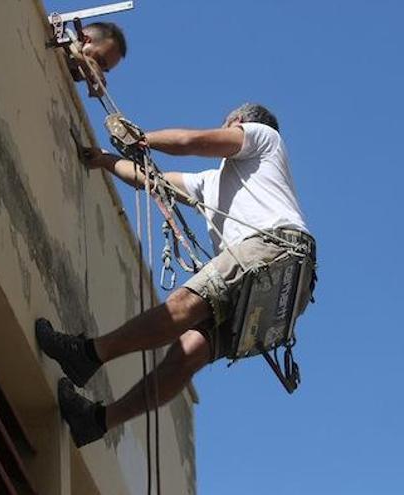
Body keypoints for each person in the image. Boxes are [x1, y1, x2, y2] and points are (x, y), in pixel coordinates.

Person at [36, 103, 316, 447]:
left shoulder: (263, 137)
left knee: (184, 303)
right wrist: (107, 161)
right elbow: (152, 182)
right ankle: (96, 421)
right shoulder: (210, 184)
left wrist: (142, 139)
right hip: (283, 290)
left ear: (237, 123)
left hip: (273, 248)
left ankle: (87, 354)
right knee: (187, 352)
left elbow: (191, 141)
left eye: (227, 125)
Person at [67, 22, 127, 96]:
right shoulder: (51, 38)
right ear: (85, 40)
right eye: (99, 61)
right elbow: (63, 53)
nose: (98, 71)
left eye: (103, 70)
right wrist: (90, 64)